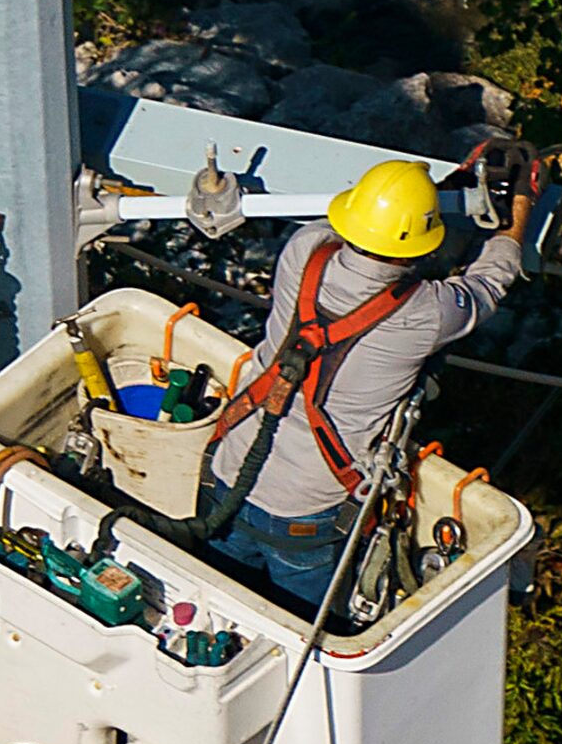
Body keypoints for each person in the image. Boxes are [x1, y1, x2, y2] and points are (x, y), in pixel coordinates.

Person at [199, 155, 535, 612]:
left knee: (216, 599)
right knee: (305, 619)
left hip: (230, 471)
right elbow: (491, 280)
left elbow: (369, 238)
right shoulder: (427, 313)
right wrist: (517, 214)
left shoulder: (305, 247)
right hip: (306, 511)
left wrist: (432, 191)